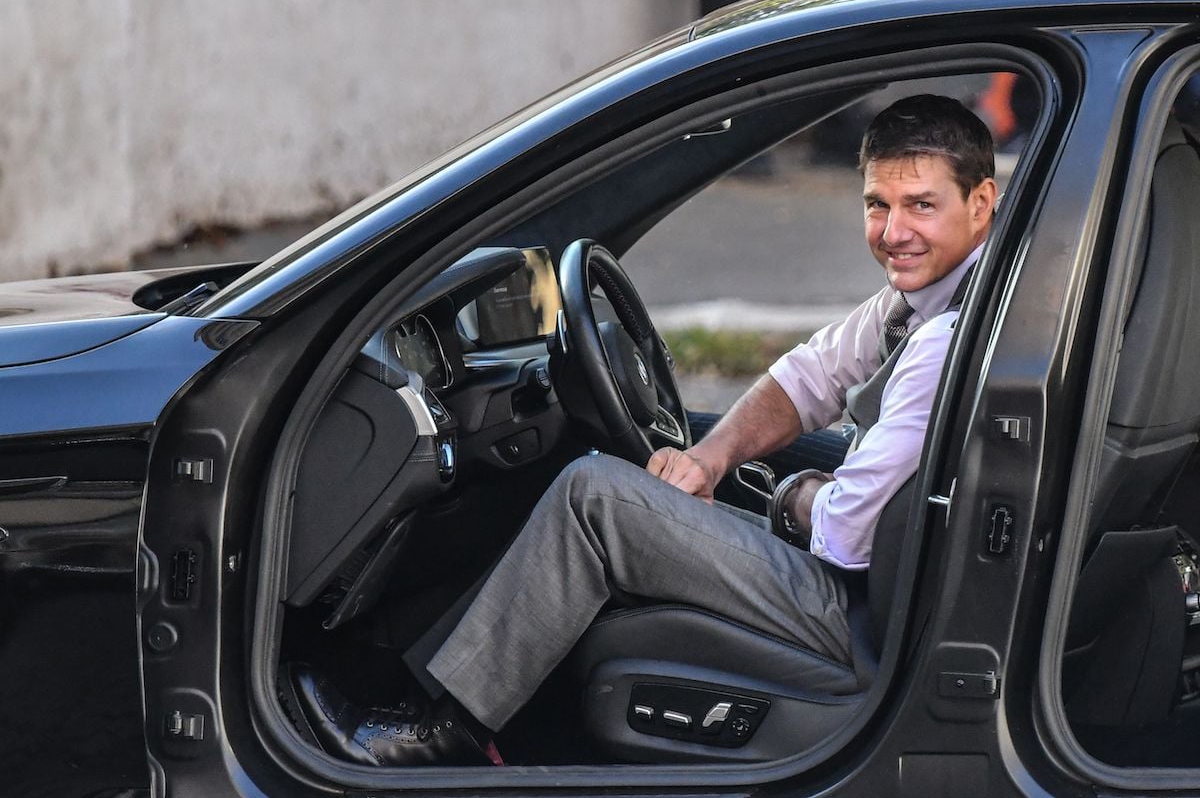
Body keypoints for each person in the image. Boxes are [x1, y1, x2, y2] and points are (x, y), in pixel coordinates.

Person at [284, 94, 999, 766]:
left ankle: (444, 737)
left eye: (921, 206)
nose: (893, 231)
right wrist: (711, 458)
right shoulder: (928, 296)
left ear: (980, 203)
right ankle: (430, 696)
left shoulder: (944, 341)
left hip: (863, 614)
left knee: (594, 497)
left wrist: (788, 497)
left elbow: (843, 537)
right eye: (878, 205)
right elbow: (809, 377)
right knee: (691, 451)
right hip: (888, 578)